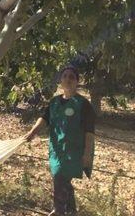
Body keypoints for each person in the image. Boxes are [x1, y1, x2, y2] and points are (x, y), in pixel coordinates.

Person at [24, 65, 96, 216]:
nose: (68, 79)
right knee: (62, 179)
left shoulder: (83, 105)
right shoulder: (54, 102)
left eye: (72, 77)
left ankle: (59, 210)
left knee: (60, 176)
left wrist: (87, 154)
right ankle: (71, 211)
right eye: (65, 76)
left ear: (77, 82)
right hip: (56, 149)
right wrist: (32, 132)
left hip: (75, 151)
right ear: (60, 80)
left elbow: (90, 132)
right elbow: (44, 119)